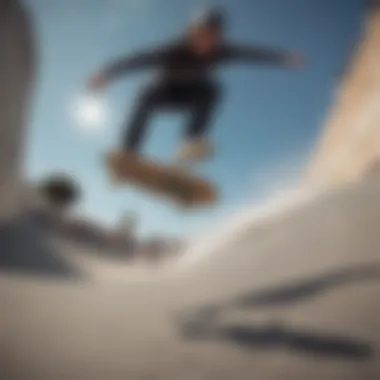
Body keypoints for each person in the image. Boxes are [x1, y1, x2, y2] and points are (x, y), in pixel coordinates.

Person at [87, 8, 304, 163]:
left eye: (212, 37)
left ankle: (190, 141)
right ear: (191, 33)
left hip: (189, 96)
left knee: (214, 89)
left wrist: (282, 58)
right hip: (162, 93)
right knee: (145, 93)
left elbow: (251, 54)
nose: (205, 42)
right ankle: (128, 151)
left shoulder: (221, 53)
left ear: (218, 39)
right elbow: (138, 60)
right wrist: (106, 73)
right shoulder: (172, 50)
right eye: (201, 35)